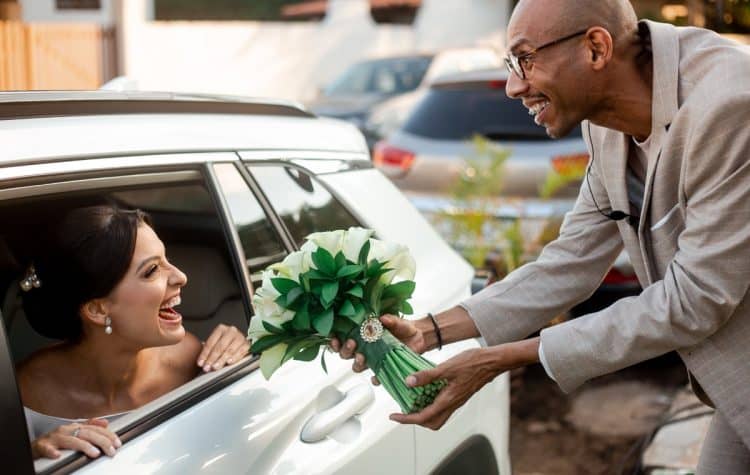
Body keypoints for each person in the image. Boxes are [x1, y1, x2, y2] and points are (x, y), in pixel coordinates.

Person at [333, 0, 750, 471]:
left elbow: (695, 299)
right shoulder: (605, 127)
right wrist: (428, 331)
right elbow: (569, 262)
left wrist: (500, 360)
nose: (514, 86)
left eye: (526, 59)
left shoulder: (729, 102)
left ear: (596, 48)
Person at [14, 205, 250, 460]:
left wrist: (242, 351)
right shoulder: (24, 393)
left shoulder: (190, 359)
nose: (181, 277)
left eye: (167, 260)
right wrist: (32, 455)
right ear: (97, 309)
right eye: (152, 270)